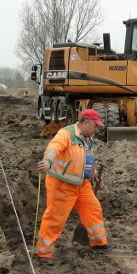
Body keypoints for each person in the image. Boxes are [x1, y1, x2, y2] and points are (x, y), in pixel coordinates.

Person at [36, 108, 113, 262]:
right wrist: (48, 161)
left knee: (93, 210)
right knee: (55, 218)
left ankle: (98, 243)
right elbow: (53, 148)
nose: (97, 129)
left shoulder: (87, 138)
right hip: (62, 185)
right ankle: (43, 253)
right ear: (86, 123)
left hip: (82, 185)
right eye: (95, 126)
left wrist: (94, 176)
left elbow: (85, 160)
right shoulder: (66, 134)